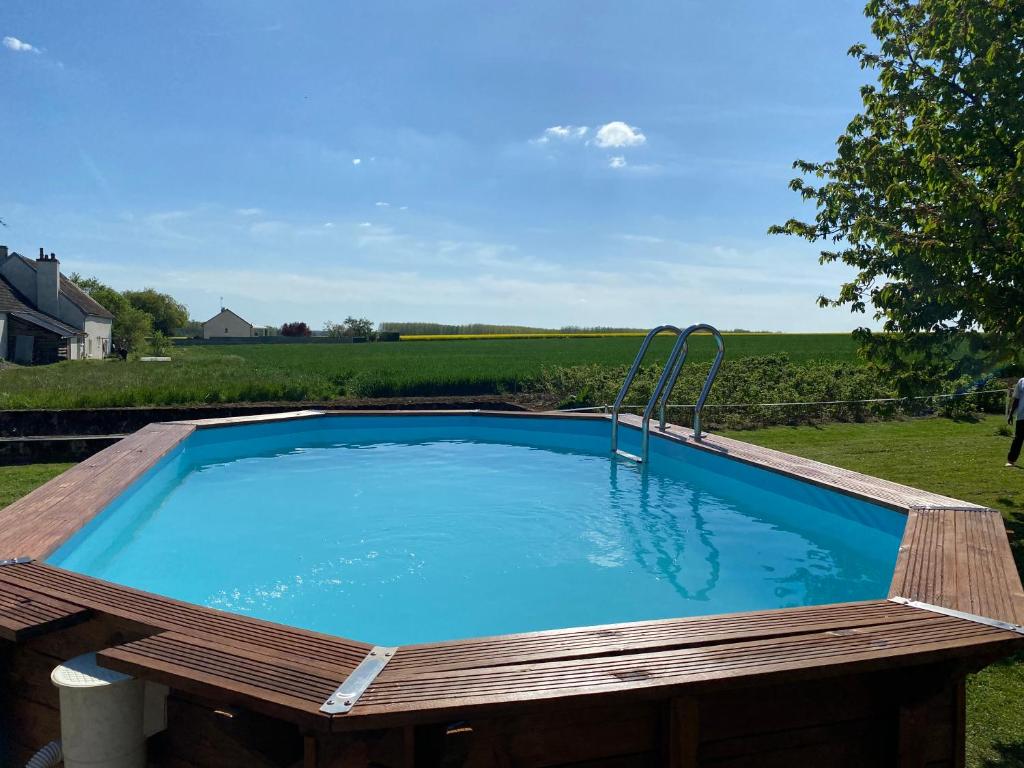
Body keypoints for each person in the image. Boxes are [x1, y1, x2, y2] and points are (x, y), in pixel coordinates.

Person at [1007, 376, 1024, 466]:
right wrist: (1011, 414)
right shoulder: (1021, 381)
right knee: (1018, 439)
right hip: (1022, 416)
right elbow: (1016, 399)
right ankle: (1011, 460)